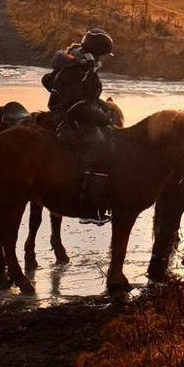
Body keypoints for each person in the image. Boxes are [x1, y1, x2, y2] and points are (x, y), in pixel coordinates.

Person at [41, 28, 115, 222]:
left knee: (112, 136)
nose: (104, 60)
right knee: (102, 148)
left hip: (75, 115)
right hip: (68, 121)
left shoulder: (82, 67)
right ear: (95, 55)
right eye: (103, 56)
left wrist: (103, 108)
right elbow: (75, 106)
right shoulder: (76, 70)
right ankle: (88, 209)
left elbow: (86, 97)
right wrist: (102, 118)